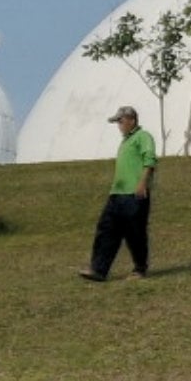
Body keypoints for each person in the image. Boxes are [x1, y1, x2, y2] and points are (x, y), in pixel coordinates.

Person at [78, 105, 158, 282]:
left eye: (121, 121)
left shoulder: (143, 137)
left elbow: (149, 160)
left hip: (135, 194)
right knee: (106, 230)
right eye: (118, 122)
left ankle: (140, 269)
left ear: (132, 120)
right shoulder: (125, 142)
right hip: (117, 194)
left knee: (135, 233)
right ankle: (98, 269)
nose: (119, 126)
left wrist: (142, 183)